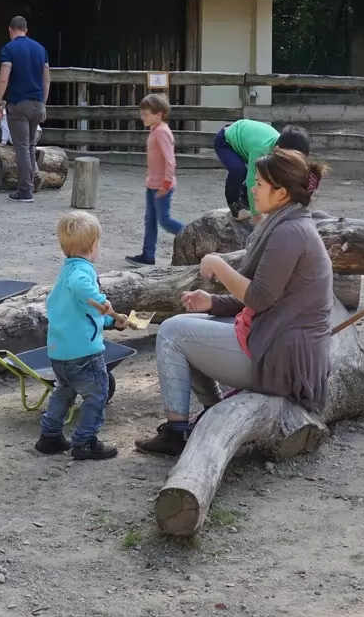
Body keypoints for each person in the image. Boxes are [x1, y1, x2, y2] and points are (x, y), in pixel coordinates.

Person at [136, 148, 333, 456]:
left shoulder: (290, 232)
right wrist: (212, 303)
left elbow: (259, 297)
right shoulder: (289, 223)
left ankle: (177, 432)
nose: (252, 188)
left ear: (281, 193)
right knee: (183, 327)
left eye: (259, 184)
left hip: (282, 360)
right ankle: (213, 413)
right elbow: (265, 299)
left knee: (171, 333)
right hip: (278, 342)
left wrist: (217, 263)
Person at [36, 210, 120, 461]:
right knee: (97, 393)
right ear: (94, 245)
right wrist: (103, 302)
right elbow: (82, 289)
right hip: (84, 352)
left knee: (64, 391)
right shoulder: (82, 271)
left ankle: (50, 436)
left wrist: (110, 321)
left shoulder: (66, 271)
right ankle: (85, 442)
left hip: (60, 351)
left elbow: (81, 309)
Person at [0, 16, 50, 203]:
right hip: (37, 104)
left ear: (10, 30)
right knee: (31, 146)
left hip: (18, 105)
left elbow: (3, 78)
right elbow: (46, 80)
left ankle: (25, 191)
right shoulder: (41, 49)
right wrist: (43, 103)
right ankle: (32, 181)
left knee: (22, 147)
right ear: (26, 30)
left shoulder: (9, 49)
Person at [127, 93, 183, 266]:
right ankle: (148, 255)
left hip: (161, 186)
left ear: (158, 114)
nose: (142, 117)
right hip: (153, 184)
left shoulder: (162, 132)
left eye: (146, 114)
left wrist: (166, 184)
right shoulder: (155, 130)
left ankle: (192, 234)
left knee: (164, 221)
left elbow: (170, 160)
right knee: (150, 220)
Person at [214, 118, 310, 217]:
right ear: (277, 150)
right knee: (239, 171)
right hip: (225, 140)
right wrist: (256, 215)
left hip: (246, 136)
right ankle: (233, 202)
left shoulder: (284, 146)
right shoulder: (260, 151)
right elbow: (252, 181)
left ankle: (245, 197)